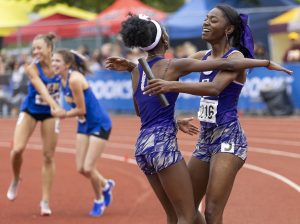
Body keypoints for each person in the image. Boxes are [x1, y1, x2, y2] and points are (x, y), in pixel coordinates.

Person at [106, 11, 292, 224]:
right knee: (187, 210)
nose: (205, 23)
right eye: (205, 19)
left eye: (213, 20)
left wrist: (265, 62)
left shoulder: (235, 57)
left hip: (228, 139)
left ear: (228, 29)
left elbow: (214, 88)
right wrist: (134, 68)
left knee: (211, 212)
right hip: (204, 139)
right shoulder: (200, 56)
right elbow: (165, 70)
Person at [50, 49, 115, 217]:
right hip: (84, 125)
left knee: (88, 167)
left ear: (68, 64)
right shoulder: (60, 78)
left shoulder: (75, 80)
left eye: (57, 61)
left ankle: (99, 200)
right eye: (53, 60)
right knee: (81, 168)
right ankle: (106, 184)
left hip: (99, 124)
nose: (53, 64)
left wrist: (62, 114)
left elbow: (81, 109)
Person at [6, 33, 65, 216]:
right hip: (31, 111)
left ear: (49, 48)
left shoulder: (61, 66)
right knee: (17, 150)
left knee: (48, 156)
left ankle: (45, 200)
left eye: (39, 48)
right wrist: (56, 105)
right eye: (33, 48)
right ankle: (16, 178)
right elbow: (41, 88)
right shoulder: (31, 67)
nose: (35, 51)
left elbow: (74, 81)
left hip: (50, 115)